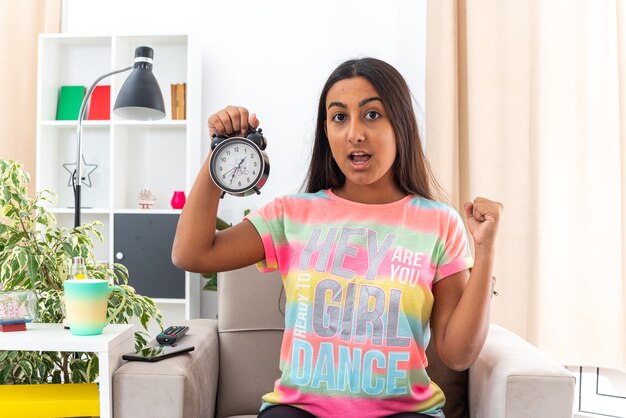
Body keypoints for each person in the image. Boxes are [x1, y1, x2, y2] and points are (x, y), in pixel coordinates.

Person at [172, 57, 503, 418]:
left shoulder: (440, 223)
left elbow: (458, 354)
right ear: (326, 131)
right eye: (340, 117)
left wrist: (484, 250)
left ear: (401, 124)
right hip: (301, 411)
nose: (355, 133)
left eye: (372, 115)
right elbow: (192, 254)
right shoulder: (291, 214)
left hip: (404, 413)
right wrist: (219, 151)